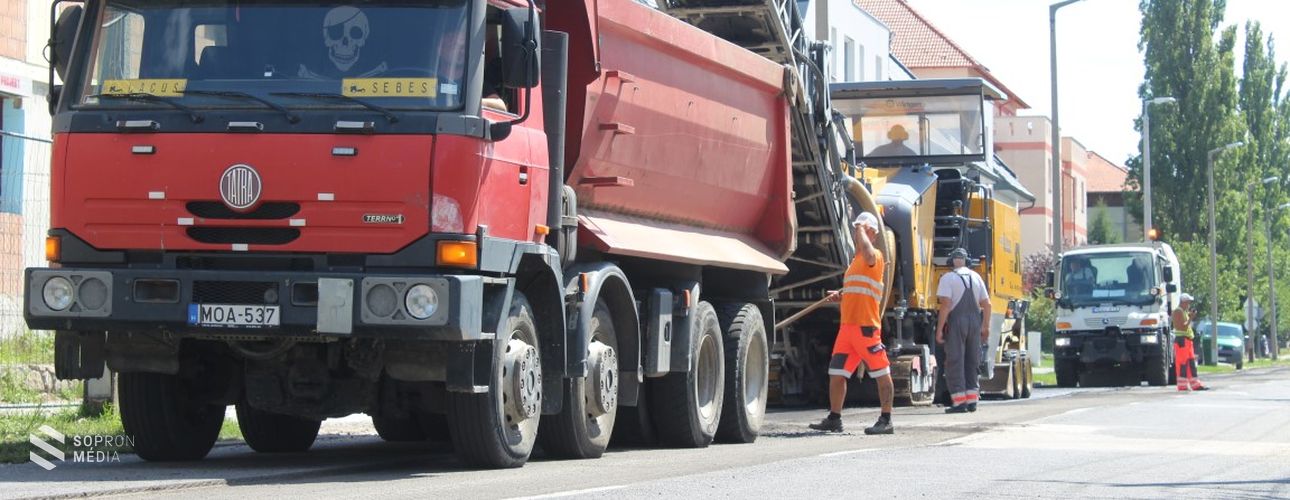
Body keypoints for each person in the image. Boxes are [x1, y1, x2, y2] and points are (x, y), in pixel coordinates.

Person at [809, 211, 895, 435]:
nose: (857, 232)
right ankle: (834, 418)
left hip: (866, 328)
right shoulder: (853, 264)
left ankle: (886, 420)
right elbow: (858, 291)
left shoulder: (874, 256)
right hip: (847, 330)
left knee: (881, 372)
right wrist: (841, 296)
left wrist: (860, 228)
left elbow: (867, 254)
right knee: (836, 373)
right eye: (857, 228)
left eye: (863, 229)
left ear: (872, 234)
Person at [936, 247, 992, 413]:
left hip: (957, 322)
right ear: (967, 261)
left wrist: (939, 329)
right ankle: (972, 400)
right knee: (972, 361)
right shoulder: (976, 277)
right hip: (975, 322)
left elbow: (946, 305)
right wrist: (985, 326)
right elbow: (987, 305)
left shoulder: (948, 278)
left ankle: (960, 402)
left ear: (951, 262)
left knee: (955, 361)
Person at [1173, 294, 1209, 391]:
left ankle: (1195, 384)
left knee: (1191, 364)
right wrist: (1190, 318)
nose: (1189, 304)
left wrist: (1189, 316)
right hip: (1182, 341)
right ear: (1183, 302)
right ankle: (1182, 385)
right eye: (1188, 302)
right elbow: (1182, 327)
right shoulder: (1177, 311)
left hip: (1187, 341)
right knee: (1182, 364)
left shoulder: (1183, 312)